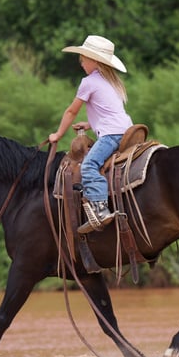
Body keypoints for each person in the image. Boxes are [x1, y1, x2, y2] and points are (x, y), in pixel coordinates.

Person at [49, 35, 132, 234]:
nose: (81, 62)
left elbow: (71, 111)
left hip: (111, 135)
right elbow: (109, 113)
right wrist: (89, 124)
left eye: (83, 58)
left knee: (89, 166)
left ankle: (100, 209)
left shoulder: (89, 82)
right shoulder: (112, 81)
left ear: (95, 61)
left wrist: (58, 134)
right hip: (127, 130)